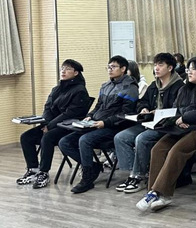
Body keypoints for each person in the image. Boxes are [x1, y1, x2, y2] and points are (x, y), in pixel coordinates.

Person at [136, 57, 196, 212]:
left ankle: (159, 193)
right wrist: (179, 119)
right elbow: (176, 109)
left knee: (176, 151)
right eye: (188, 69)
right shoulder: (184, 89)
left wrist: (186, 118)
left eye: (193, 69)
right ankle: (154, 192)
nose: (189, 72)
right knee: (158, 149)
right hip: (181, 128)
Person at [59, 55, 139, 193]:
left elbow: (126, 114)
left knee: (84, 140)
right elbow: (98, 106)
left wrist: (105, 123)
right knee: (64, 142)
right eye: (108, 67)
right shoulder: (106, 85)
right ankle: (93, 166)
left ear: (123, 69)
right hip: (96, 124)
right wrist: (89, 116)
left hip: (114, 127)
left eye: (113, 67)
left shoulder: (130, 87)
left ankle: (87, 178)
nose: (110, 69)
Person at [113, 53, 184, 193]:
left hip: (166, 126)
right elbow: (142, 101)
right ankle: (133, 173)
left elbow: (178, 110)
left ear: (170, 68)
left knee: (142, 139)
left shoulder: (179, 87)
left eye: (160, 65)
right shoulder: (154, 85)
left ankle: (139, 176)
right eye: (155, 65)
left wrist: (159, 113)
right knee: (121, 137)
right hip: (149, 122)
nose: (156, 68)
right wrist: (143, 108)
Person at [17, 59, 90, 189]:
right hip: (52, 124)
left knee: (48, 137)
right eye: (62, 68)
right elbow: (48, 108)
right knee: (26, 137)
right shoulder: (57, 89)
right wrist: (45, 123)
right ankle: (33, 169)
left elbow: (69, 114)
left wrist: (50, 126)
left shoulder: (80, 90)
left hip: (69, 127)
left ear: (76, 73)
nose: (63, 71)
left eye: (68, 69)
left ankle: (44, 172)